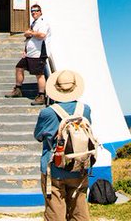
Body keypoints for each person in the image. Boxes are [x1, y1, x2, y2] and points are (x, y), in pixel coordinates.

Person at [34, 69, 93, 221]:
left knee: (55, 212)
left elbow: (38, 136)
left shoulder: (47, 113)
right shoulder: (84, 109)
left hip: (54, 168)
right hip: (79, 165)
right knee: (80, 210)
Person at [6, 3, 50, 105]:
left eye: (36, 10)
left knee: (39, 74)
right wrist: (25, 50)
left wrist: (30, 33)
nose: (34, 12)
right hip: (29, 53)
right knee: (19, 67)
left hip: (38, 53)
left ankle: (41, 96)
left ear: (40, 12)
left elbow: (42, 35)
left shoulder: (43, 22)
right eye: (32, 11)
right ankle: (18, 90)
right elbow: (29, 37)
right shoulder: (34, 23)